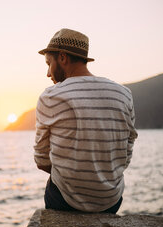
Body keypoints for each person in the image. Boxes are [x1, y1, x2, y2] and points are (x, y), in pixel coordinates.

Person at [34, 28, 138, 213]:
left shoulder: (51, 96)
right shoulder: (123, 93)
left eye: (49, 64)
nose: (48, 73)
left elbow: (41, 160)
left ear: (63, 57)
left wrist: (73, 177)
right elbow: (128, 147)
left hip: (65, 201)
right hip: (111, 199)